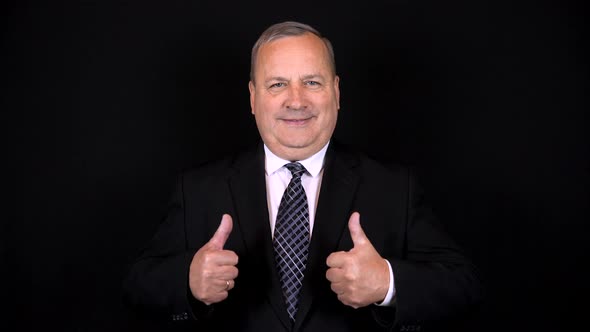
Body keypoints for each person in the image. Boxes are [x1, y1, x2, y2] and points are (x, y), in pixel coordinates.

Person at [123, 21, 482, 331]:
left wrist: (387, 282)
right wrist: (188, 280)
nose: (296, 101)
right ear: (252, 98)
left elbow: (464, 286)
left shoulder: (393, 187)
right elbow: (137, 287)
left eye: (312, 82)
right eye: (277, 84)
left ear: (337, 92)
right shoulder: (198, 189)